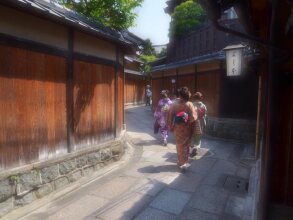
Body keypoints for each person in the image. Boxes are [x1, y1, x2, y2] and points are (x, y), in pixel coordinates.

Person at [168, 87, 197, 172]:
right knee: (186, 145)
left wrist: (171, 126)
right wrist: (187, 120)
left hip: (177, 128)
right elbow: (193, 118)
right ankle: (184, 162)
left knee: (179, 145)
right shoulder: (189, 104)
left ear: (180, 95)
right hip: (187, 128)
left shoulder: (174, 104)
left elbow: (170, 116)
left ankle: (181, 161)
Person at [190, 92, 207, 156]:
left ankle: (192, 146)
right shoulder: (203, 105)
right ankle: (196, 147)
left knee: (192, 135)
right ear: (201, 98)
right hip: (200, 122)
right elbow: (204, 115)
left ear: (194, 98)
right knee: (198, 136)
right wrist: (205, 121)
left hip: (193, 121)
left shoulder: (192, 104)